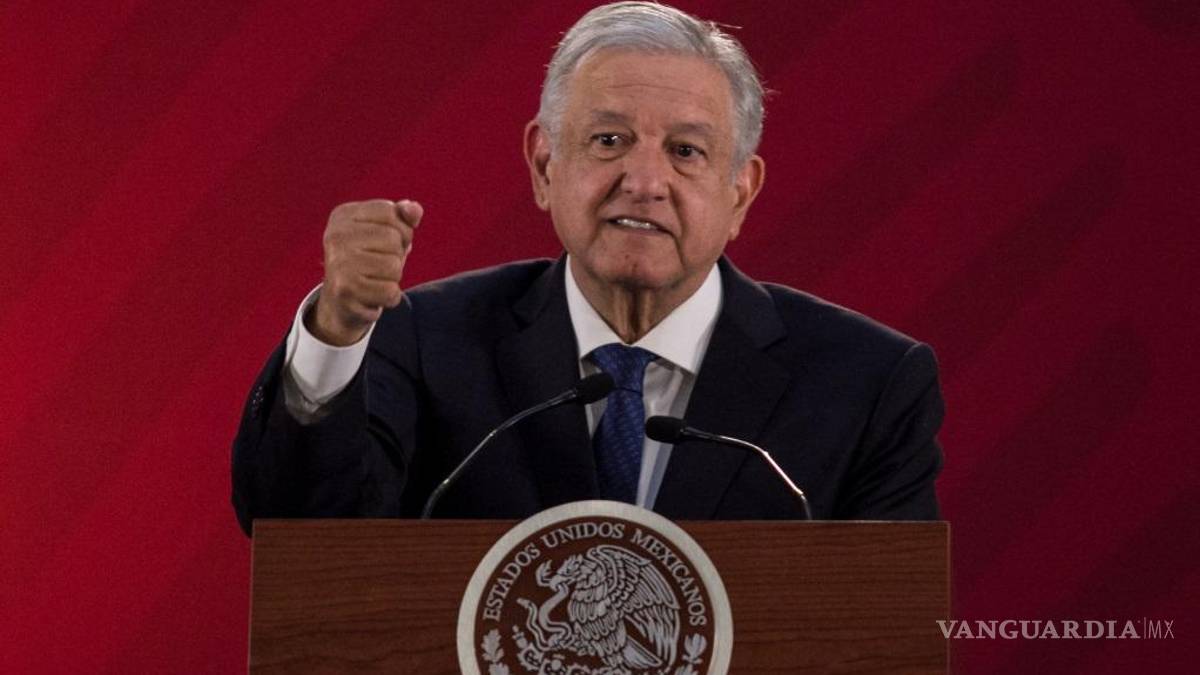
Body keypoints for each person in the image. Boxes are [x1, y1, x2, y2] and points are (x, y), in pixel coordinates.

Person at [231, 2, 944, 536]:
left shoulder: (867, 382)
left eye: (686, 152)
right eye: (609, 140)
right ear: (545, 165)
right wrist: (335, 334)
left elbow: (885, 631)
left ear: (740, 192)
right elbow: (295, 531)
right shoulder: (423, 340)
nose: (645, 181)